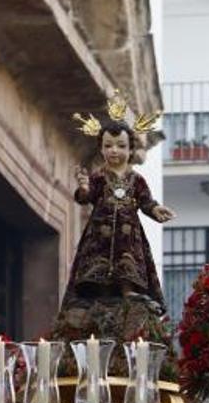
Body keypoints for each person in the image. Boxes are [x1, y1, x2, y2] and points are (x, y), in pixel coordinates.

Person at [66, 110, 174, 313]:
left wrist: (156, 209)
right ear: (101, 148)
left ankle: (128, 291)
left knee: (127, 259)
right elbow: (85, 197)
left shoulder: (137, 180)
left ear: (131, 149)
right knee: (98, 261)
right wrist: (83, 188)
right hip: (100, 232)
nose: (114, 151)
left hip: (128, 232)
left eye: (121, 146)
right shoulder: (98, 177)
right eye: (108, 146)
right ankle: (99, 294)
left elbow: (146, 201)